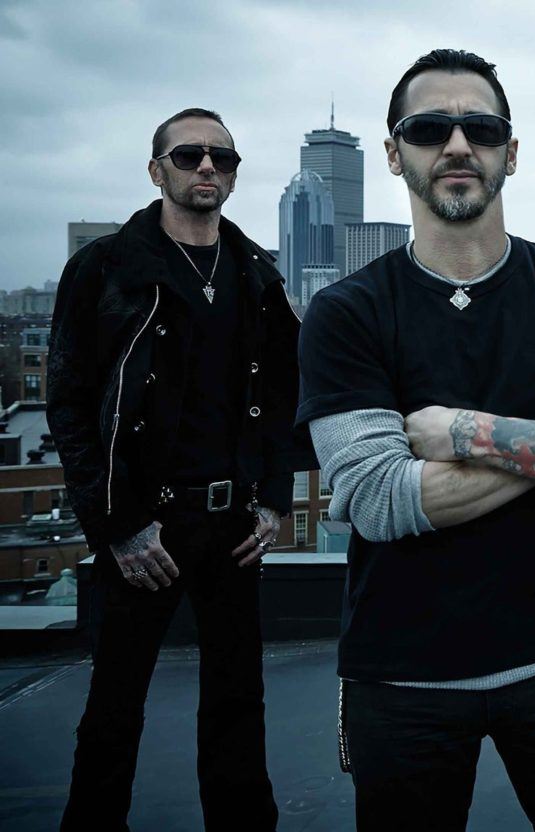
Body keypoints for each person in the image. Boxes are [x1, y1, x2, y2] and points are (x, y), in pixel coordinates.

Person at [296, 49, 535, 831]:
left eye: (482, 129)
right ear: (394, 153)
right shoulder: (348, 313)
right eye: (430, 128)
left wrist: (462, 432)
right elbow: (380, 500)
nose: (458, 145)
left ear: (511, 152)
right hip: (401, 681)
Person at [49, 107, 312, 830]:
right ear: (156, 170)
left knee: (239, 703)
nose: (206, 167)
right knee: (115, 706)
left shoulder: (257, 272)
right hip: (144, 525)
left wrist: (274, 499)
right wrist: (118, 525)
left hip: (234, 524)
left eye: (222, 158)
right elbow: (68, 404)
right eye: (189, 154)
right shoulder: (107, 268)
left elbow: (282, 397)